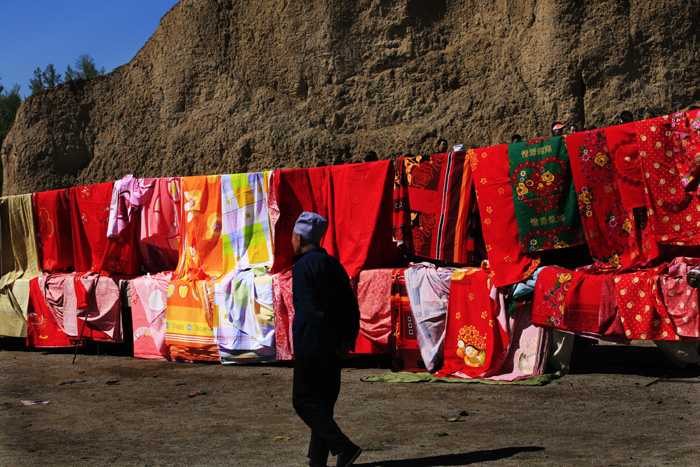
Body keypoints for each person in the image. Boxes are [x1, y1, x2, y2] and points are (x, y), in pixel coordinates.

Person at [290, 212, 362, 467]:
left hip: (313, 344)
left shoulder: (302, 267)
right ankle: (317, 460)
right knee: (322, 405)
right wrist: (345, 341)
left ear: (298, 238)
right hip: (334, 348)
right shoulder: (334, 264)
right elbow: (351, 307)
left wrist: (332, 341)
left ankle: (344, 447)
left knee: (304, 401)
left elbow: (311, 310)